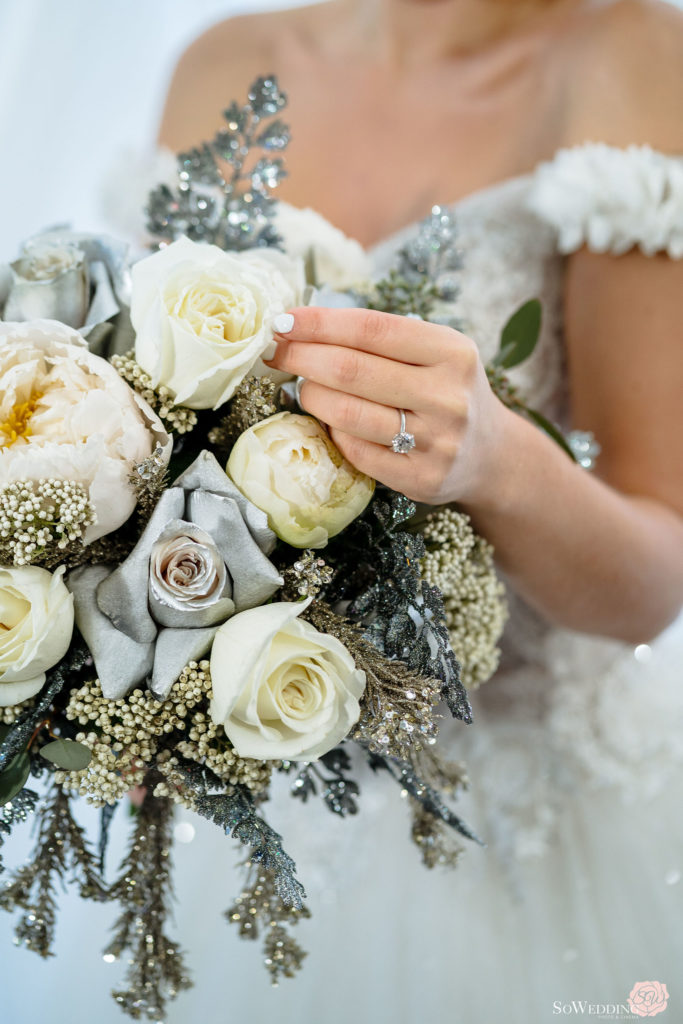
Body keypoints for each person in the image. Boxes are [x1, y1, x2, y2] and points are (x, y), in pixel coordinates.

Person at [2, 3, 680, 1023]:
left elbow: (652, 584)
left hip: (504, 837)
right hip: (241, 820)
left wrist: (496, 462)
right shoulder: (220, 64)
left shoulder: (627, 61)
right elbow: (145, 434)